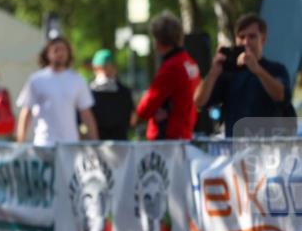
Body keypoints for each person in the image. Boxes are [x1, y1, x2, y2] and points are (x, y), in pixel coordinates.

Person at [193, 13, 292, 137]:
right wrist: (213, 71)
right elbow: (199, 102)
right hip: (236, 145)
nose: (246, 42)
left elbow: (281, 96)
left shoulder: (276, 69)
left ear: (263, 39)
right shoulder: (229, 73)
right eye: (241, 37)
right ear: (236, 39)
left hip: (267, 145)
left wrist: (258, 70)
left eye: (252, 36)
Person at [16, 38, 99, 145]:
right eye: (56, 50)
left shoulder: (77, 80)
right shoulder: (36, 80)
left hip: (70, 144)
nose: (60, 53)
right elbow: (26, 111)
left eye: (63, 50)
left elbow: (86, 113)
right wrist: (20, 141)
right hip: (44, 142)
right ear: (47, 53)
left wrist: (95, 142)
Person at [131, 12, 200, 140]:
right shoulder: (190, 63)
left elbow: (150, 102)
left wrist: (134, 119)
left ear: (158, 40)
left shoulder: (172, 66)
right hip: (185, 132)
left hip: (168, 136)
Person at [88, 50, 134, 141]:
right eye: (104, 67)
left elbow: (130, 118)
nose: (108, 71)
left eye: (111, 66)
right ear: (95, 68)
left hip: (120, 141)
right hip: (97, 142)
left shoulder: (124, 92)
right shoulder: (88, 92)